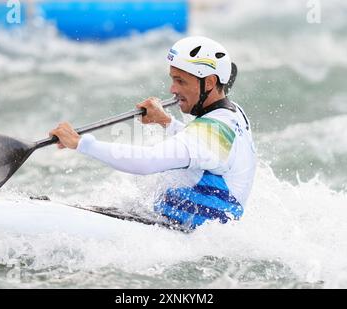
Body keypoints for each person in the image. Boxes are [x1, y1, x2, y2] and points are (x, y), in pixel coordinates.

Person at [49, 36, 256, 229]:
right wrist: (166, 121)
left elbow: (147, 162)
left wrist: (80, 143)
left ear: (209, 82)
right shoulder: (232, 113)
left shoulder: (215, 131)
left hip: (188, 236)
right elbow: (204, 149)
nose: (172, 89)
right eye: (172, 79)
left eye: (181, 81)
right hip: (181, 225)